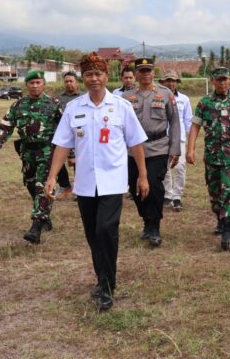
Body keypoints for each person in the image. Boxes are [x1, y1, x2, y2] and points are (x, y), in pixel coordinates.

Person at [45, 52, 150, 311]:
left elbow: (135, 143)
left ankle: (106, 285)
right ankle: (103, 279)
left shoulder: (121, 107)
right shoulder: (74, 108)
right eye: (89, 74)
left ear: (106, 76)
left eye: (99, 74)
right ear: (84, 77)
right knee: (93, 235)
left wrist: (143, 176)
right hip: (85, 184)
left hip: (113, 182)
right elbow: (61, 146)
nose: (94, 79)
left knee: (106, 230)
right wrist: (51, 177)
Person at [0, 70, 63, 244]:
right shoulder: (17, 105)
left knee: (42, 186)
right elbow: (6, 125)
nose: (35, 86)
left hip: (47, 151)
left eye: (38, 82)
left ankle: (36, 226)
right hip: (27, 152)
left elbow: (65, 131)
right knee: (30, 184)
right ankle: (45, 216)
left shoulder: (53, 104)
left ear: (43, 84)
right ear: (27, 85)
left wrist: (71, 154)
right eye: (32, 83)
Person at [186, 66, 230, 251]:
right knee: (215, 194)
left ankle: (228, 227)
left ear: (229, 81)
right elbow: (195, 127)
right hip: (212, 158)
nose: (223, 83)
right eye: (219, 80)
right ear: (213, 82)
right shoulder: (204, 103)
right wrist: (190, 149)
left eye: (225, 79)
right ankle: (220, 218)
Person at [123, 58, 181, 246]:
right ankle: (147, 221)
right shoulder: (126, 97)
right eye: (142, 71)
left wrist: (175, 149)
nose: (146, 74)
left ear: (153, 73)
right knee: (135, 186)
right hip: (133, 150)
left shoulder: (165, 94)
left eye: (149, 70)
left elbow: (174, 122)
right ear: (137, 74)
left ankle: (154, 226)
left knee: (154, 186)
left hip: (158, 147)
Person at [160, 70, 193, 211]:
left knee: (180, 167)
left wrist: (189, 142)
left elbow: (188, 121)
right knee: (165, 167)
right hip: (162, 137)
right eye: (168, 80)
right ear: (163, 82)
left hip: (179, 139)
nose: (171, 83)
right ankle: (168, 194)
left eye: (173, 81)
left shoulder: (184, 99)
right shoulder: (159, 97)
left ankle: (177, 196)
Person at [55, 71, 83, 199]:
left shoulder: (84, 97)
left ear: (76, 82)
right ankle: (64, 185)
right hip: (63, 135)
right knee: (57, 161)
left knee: (80, 163)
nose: (69, 84)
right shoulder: (57, 99)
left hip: (80, 134)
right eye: (66, 81)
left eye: (71, 81)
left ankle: (79, 188)